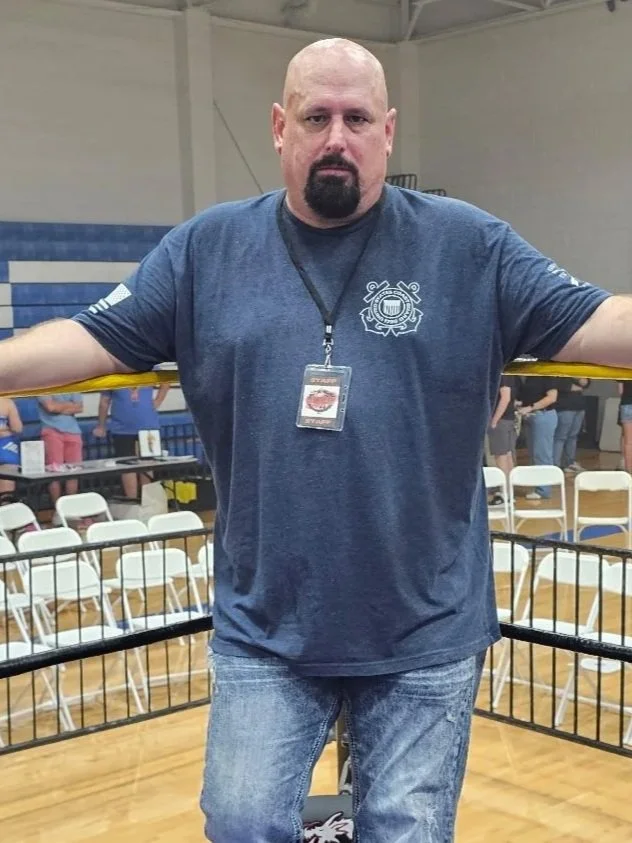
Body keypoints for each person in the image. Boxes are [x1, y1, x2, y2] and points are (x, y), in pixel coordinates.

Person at [0, 37, 630, 842]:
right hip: (269, 627)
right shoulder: (207, 249)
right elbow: (93, 339)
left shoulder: (468, 244)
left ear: (389, 131)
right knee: (240, 822)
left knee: (404, 830)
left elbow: (599, 319)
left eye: (357, 117)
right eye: (317, 116)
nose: (338, 136)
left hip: (422, 626)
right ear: (279, 126)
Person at [92, 385, 170, 498]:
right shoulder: (113, 376)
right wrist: (101, 425)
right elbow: (104, 402)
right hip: (122, 429)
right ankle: (132, 500)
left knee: (147, 464)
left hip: (148, 427)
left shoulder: (148, 370)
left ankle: (147, 501)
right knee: (127, 466)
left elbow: (166, 383)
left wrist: (158, 400)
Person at [516, 376, 560, 500]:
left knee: (542, 454)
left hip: (543, 415)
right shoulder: (528, 377)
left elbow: (552, 397)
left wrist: (530, 407)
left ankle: (543, 490)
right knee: (534, 454)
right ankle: (538, 486)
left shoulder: (546, 375)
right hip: (531, 417)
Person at [38, 393, 83, 505]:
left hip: (74, 432)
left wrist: (58, 406)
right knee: (54, 472)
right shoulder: (43, 385)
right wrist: (69, 406)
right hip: (51, 431)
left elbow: (79, 407)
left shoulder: (73, 385)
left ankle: (71, 509)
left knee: (74, 471)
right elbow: (50, 407)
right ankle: (58, 509)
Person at [487, 374, 518, 504]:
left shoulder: (502, 374)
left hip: (501, 420)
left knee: (501, 457)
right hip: (509, 418)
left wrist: (494, 420)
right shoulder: (511, 374)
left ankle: (505, 492)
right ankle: (509, 493)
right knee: (508, 456)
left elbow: (505, 398)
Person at [554, 377, 590, 472]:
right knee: (561, 437)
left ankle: (570, 463)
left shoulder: (578, 369)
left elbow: (586, 383)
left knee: (573, 436)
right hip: (565, 407)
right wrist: (575, 387)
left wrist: (584, 382)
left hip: (579, 406)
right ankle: (555, 465)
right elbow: (558, 384)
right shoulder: (560, 370)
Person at [0, 396, 23, 500]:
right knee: (6, 496)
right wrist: (5, 429)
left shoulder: (7, 402)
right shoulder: (7, 402)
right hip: (6, 446)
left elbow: (18, 428)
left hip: (5, 448)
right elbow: (17, 428)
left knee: (6, 493)